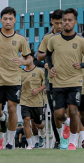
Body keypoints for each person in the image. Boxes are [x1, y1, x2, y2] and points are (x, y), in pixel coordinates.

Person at [0, 7, 32, 150]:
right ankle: (3, 118)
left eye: (10, 19)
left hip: (14, 80)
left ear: (15, 20)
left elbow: (29, 58)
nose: (8, 21)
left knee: (12, 107)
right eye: (5, 19)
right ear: (1, 19)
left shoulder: (20, 39)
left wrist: (23, 62)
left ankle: (10, 142)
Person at [46, 8, 84, 151]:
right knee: (58, 114)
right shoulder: (53, 40)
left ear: (75, 22)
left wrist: (81, 64)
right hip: (58, 82)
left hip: (75, 81)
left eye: (69, 20)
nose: (66, 23)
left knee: (73, 111)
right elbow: (48, 55)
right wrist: (51, 67)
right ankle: (67, 124)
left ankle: (72, 142)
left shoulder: (81, 41)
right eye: (64, 20)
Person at [36, 9, 63, 149]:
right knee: (55, 111)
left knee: (70, 109)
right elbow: (38, 56)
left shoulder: (73, 37)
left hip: (70, 79)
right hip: (51, 80)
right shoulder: (47, 38)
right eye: (56, 23)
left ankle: (73, 137)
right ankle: (59, 139)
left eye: (61, 22)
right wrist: (49, 55)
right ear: (52, 21)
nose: (59, 26)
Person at [20, 60, 46, 149]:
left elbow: (47, 82)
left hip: (37, 102)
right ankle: (30, 144)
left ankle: (42, 129)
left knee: (37, 123)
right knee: (26, 120)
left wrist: (39, 90)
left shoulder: (39, 71)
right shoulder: (21, 72)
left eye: (27, 57)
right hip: (25, 100)